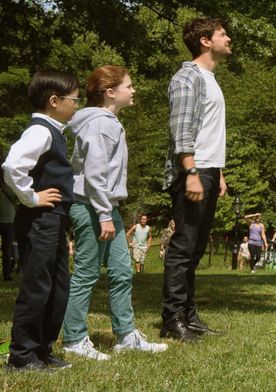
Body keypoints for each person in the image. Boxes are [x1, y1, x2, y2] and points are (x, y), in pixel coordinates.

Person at [61, 66, 168, 360]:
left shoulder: (107, 122)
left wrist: (110, 212)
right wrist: (104, 214)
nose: (133, 91)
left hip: (108, 208)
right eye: (129, 86)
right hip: (92, 206)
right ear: (110, 93)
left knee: (122, 272)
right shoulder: (100, 125)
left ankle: (125, 335)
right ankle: (74, 339)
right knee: (86, 273)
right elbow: (95, 174)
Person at [3, 70, 81, 371]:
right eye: (74, 100)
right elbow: (12, 165)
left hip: (54, 220)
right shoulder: (41, 131)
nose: (76, 105)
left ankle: (42, 350)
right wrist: (32, 198)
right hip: (39, 220)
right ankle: (22, 355)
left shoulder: (53, 132)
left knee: (58, 285)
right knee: (38, 286)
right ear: (54, 100)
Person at [161, 17, 232, 342]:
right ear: (205, 41)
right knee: (183, 247)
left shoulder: (210, 78)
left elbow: (209, 132)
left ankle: (189, 315)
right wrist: (190, 172)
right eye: (221, 34)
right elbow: (181, 129)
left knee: (196, 248)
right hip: (192, 171)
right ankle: (172, 319)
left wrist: (218, 173)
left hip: (207, 170)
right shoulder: (187, 78)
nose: (228, 38)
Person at [1, 178, 16, 281]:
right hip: (9, 220)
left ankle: (7, 274)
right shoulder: (10, 186)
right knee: (7, 249)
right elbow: (16, 197)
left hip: (9, 220)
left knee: (8, 250)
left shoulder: (9, 186)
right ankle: (7, 275)